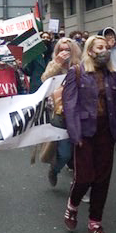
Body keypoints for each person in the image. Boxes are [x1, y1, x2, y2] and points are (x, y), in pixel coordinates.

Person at [62, 35, 116, 233]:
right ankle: (73, 206)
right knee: (84, 176)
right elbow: (70, 105)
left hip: (106, 133)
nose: (104, 51)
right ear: (90, 51)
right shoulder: (77, 73)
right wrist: (75, 134)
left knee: (102, 179)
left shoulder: (112, 76)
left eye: (106, 47)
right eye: (100, 47)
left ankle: (95, 223)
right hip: (84, 131)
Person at [41, 37, 82, 187]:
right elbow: (45, 80)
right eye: (61, 49)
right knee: (64, 153)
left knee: (80, 152)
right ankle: (54, 169)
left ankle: (79, 185)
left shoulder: (80, 65)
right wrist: (57, 64)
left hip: (78, 113)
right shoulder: (54, 64)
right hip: (59, 113)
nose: (64, 52)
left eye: (67, 50)